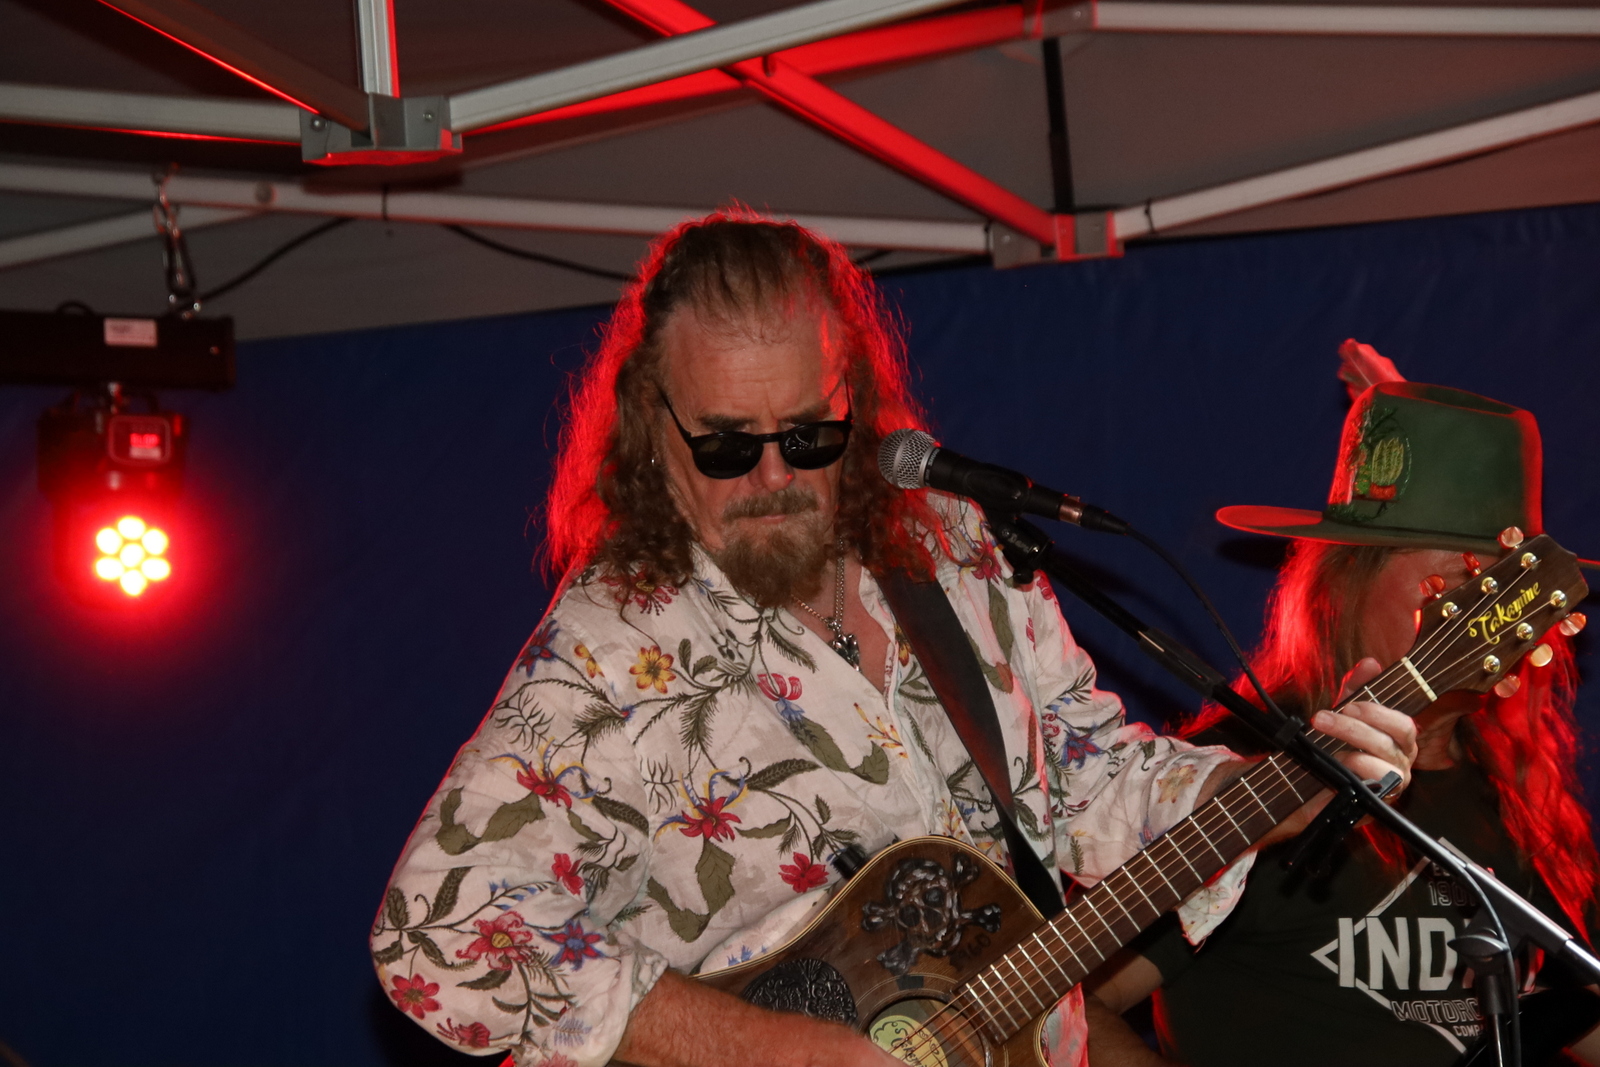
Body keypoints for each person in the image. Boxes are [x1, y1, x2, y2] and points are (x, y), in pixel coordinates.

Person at [370, 215, 1416, 1067]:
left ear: (858, 405)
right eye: (727, 444)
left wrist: (1269, 795)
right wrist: (762, 1048)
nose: (774, 476)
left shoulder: (953, 551)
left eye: (809, 434)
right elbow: (435, 930)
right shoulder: (613, 642)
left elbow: (1084, 773)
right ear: (653, 423)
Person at [1085, 358, 1600, 1066]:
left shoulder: (1515, 796)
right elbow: (1072, 1007)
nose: (1483, 615)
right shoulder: (1242, 779)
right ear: (1346, 578)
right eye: (1456, 587)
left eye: (1503, 591)